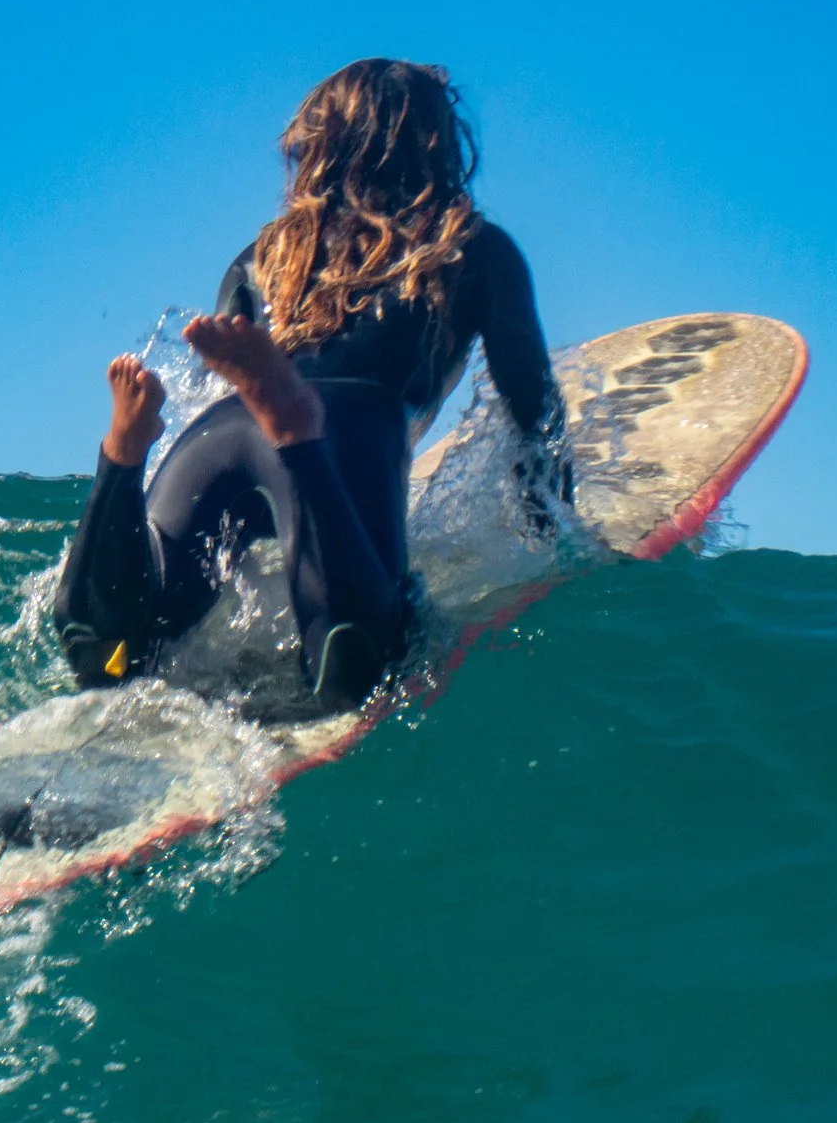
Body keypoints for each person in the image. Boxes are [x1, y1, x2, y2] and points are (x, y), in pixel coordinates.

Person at [52, 58, 566, 711]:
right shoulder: (472, 246)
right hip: (334, 432)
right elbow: (533, 410)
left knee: (112, 656)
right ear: (438, 141)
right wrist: (554, 535)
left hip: (219, 433)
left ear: (316, 148)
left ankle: (123, 453)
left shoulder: (261, 255)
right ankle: (292, 422)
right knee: (358, 667)